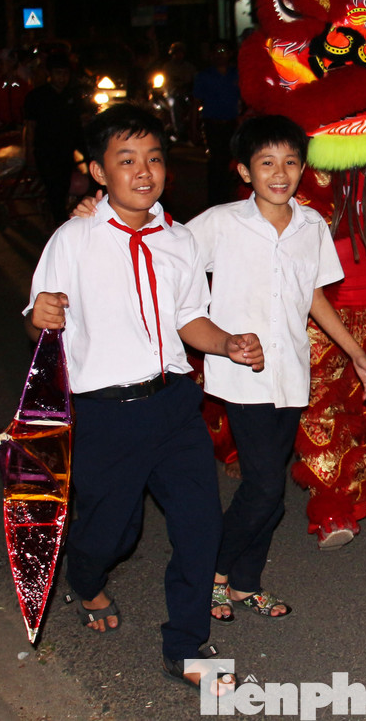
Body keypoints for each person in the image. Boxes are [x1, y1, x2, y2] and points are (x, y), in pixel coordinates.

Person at [24, 103, 259, 694]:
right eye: (126, 160)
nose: (144, 171)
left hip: (174, 404)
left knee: (199, 526)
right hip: (104, 414)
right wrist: (42, 317)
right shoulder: (73, 238)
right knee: (114, 534)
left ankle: (187, 646)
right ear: (100, 173)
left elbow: (188, 318)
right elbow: (38, 317)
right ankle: (85, 571)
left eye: (153, 158)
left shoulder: (178, 240)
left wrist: (226, 342)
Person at [188, 116, 366, 619]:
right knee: (266, 485)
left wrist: (356, 353)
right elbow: (167, 259)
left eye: (291, 162)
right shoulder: (219, 222)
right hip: (241, 372)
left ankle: (244, 585)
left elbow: (314, 297)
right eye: (267, 163)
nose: (280, 173)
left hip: (291, 373)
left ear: (303, 168)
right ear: (245, 171)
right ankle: (213, 572)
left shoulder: (311, 225)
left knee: (268, 490)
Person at [21, 54, 86, 223]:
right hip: (45, 151)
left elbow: (77, 126)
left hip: (66, 151)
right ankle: (59, 225)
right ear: (49, 73)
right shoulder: (37, 97)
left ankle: (60, 219)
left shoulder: (72, 96)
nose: (62, 78)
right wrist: (29, 152)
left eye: (65, 73)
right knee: (54, 189)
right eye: (58, 73)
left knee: (65, 188)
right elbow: (30, 127)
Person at [192, 41, 242, 206]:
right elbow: (195, 103)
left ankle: (229, 200)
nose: (221, 54)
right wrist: (194, 127)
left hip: (232, 125)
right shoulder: (204, 76)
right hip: (212, 124)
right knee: (215, 162)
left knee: (231, 161)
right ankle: (214, 201)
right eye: (217, 51)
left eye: (224, 51)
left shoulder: (237, 74)